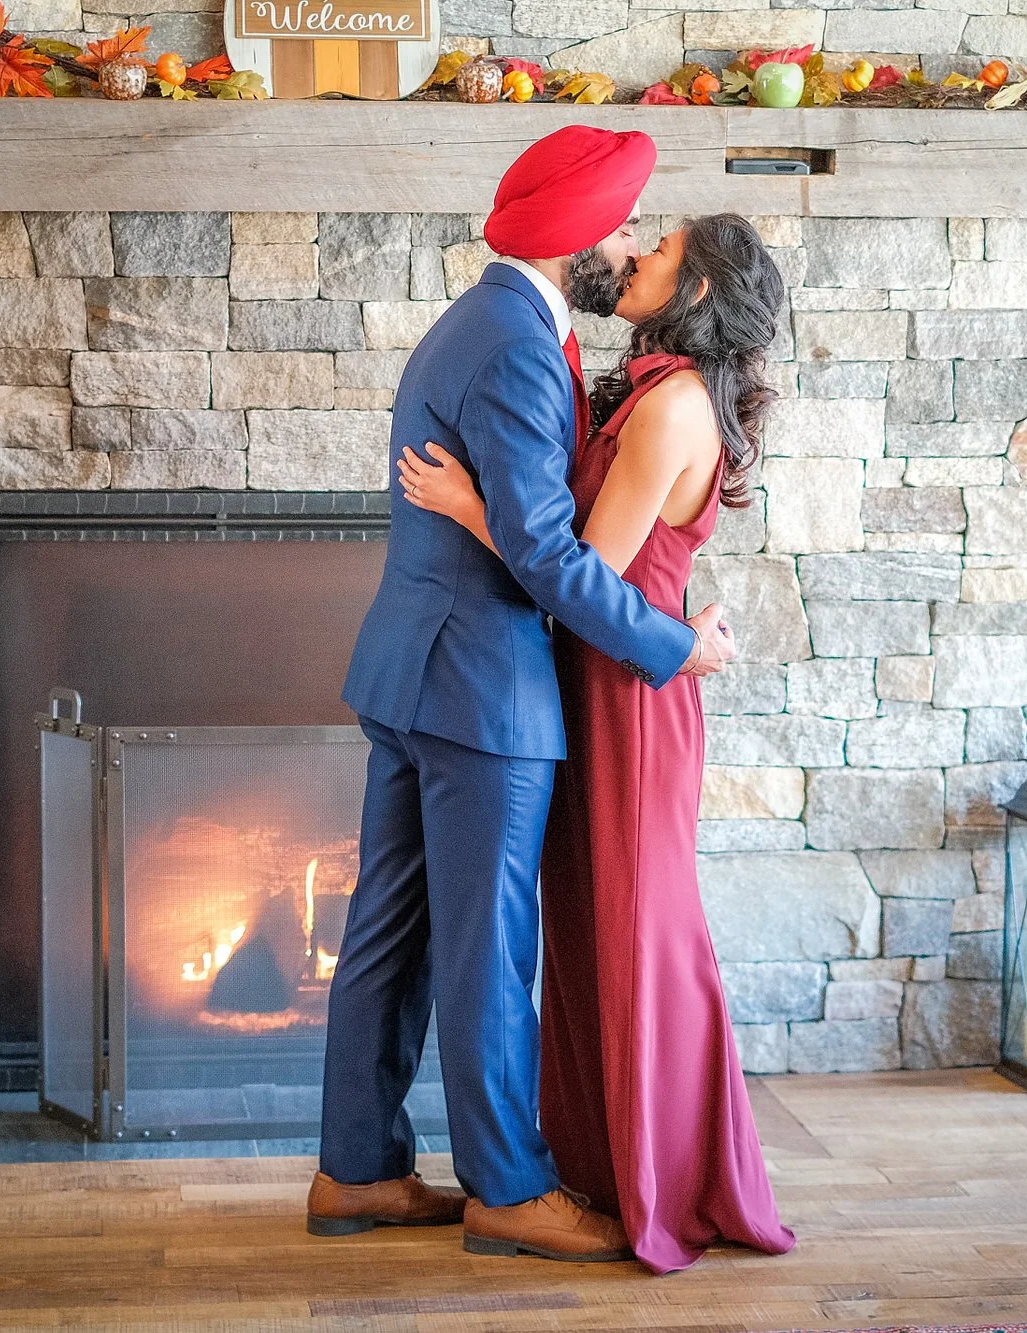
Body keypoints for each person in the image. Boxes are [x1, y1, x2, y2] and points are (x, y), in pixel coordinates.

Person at [308, 126, 740, 1265]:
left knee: (391, 933)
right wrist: (672, 646)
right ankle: (507, 1188)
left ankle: (356, 1169)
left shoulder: (489, 322)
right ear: (574, 236)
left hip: (416, 673)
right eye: (621, 226)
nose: (628, 246)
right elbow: (550, 556)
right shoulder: (513, 344)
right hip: (478, 688)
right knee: (486, 950)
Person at [397, 213, 798, 1274]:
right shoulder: (654, 390)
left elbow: (580, 572)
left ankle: (668, 1181)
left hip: (626, 700)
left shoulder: (669, 406)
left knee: (633, 932)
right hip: (595, 683)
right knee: (590, 931)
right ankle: (608, 1167)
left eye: (658, 251)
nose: (632, 254)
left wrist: (471, 506)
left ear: (695, 290)